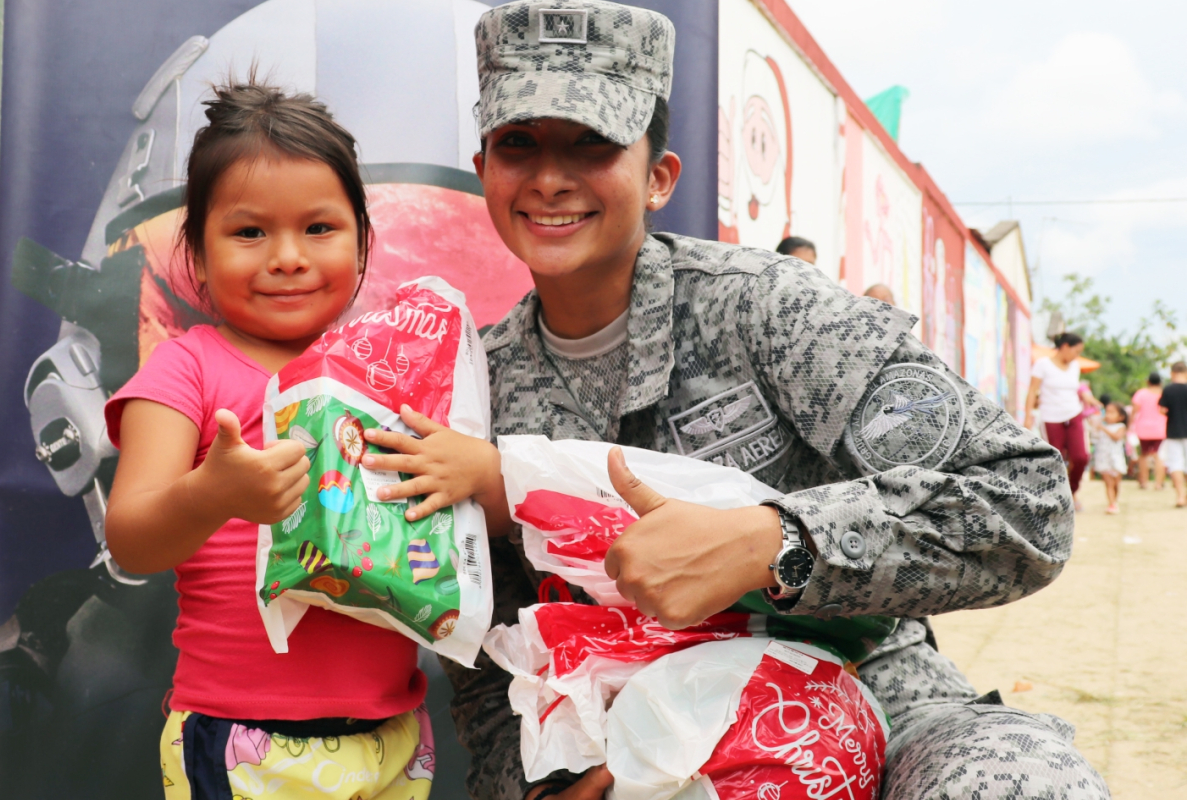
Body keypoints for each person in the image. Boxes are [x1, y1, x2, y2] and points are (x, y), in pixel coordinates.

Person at [362, 3, 1107, 798]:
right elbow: (484, 653)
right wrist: (539, 786)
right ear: (484, 170)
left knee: (1026, 784)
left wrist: (778, 544)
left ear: (658, 177)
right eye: (520, 144)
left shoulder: (768, 309)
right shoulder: (474, 385)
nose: (549, 178)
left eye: (592, 143)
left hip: (878, 697)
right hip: (631, 742)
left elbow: (1026, 503)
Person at [102, 83, 437, 800]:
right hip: (246, 743)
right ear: (197, 251)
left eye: (319, 228)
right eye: (250, 232)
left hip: (396, 736)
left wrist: (466, 471)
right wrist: (212, 494)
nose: (287, 257)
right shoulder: (186, 368)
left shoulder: (390, 369)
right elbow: (130, 540)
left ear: (362, 240)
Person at [1024, 332, 1101, 510]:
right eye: (1076, 351)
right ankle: (1057, 497)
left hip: (1073, 413)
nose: (1077, 356)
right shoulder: (1042, 365)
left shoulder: (1074, 366)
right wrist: (1028, 415)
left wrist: (1088, 398)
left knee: (1081, 457)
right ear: (1065, 347)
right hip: (1051, 416)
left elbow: (1077, 388)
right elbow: (1032, 390)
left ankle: (1071, 492)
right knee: (1055, 458)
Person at [1131, 371, 1167, 490]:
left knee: (1144, 455)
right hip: (1160, 429)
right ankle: (1158, 483)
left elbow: (1135, 410)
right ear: (1160, 382)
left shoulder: (1141, 393)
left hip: (1143, 428)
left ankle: (1144, 482)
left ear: (1148, 381)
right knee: (1158, 456)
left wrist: (1130, 424)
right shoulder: (1163, 393)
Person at [1090, 400, 1128, 514]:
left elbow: (1116, 437)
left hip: (1116, 459)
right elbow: (1094, 437)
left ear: (1121, 417)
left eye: (1112, 412)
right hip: (1104, 458)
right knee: (1109, 483)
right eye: (1107, 412)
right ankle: (1111, 503)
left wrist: (1103, 428)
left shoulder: (1121, 426)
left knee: (1116, 483)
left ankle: (1114, 501)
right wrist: (1097, 423)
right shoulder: (1100, 426)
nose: (1108, 415)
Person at [1159, 361, 1187, 508]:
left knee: (1176, 464)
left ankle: (1180, 496)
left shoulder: (1168, 389)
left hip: (1173, 431)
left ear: (1172, 373)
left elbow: (1162, 410)